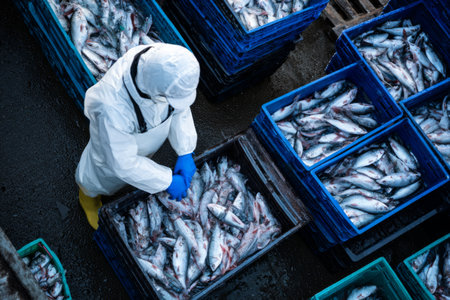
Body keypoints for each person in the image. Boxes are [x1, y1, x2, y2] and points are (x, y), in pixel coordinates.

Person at [75, 43, 200, 229]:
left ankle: (143, 174)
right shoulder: (112, 106)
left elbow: (179, 108)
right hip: (112, 152)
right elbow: (122, 163)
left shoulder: (168, 65)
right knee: (101, 173)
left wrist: (185, 150)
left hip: (146, 138)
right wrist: (167, 180)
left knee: (140, 169)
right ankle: (88, 197)